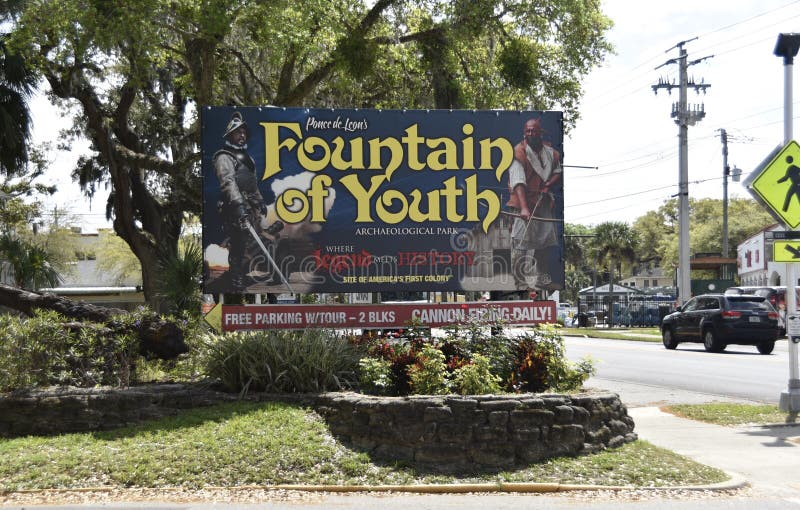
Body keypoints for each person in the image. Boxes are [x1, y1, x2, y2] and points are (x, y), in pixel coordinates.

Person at [214, 111, 283, 290]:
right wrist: (238, 206)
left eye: (244, 132)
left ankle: (271, 273)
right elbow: (228, 183)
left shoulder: (248, 159)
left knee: (261, 241)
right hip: (233, 209)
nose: (242, 135)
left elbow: (252, 185)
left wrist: (259, 202)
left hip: (250, 210)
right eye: (238, 132)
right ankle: (236, 283)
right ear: (230, 134)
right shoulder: (223, 156)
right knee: (238, 246)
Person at [506, 117, 562, 291]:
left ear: (540, 132)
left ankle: (541, 280)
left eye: (534, 130)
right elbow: (518, 182)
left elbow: (557, 171)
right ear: (525, 132)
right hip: (525, 203)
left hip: (543, 202)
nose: (531, 133)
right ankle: (518, 281)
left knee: (544, 243)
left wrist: (547, 185)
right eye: (528, 130)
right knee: (520, 243)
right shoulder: (519, 152)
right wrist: (523, 208)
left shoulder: (551, 153)